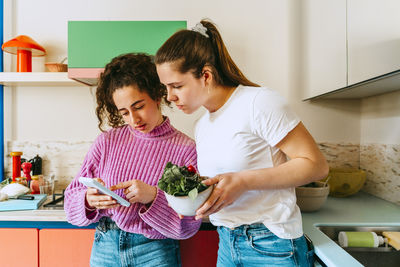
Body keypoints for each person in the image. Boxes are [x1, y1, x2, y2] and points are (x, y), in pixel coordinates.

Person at [155, 20, 329, 267]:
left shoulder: (259, 102)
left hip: (272, 244)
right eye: (166, 88)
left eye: (177, 86)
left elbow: (316, 166)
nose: (170, 97)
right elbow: (225, 184)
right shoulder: (202, 125)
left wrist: (243, 181)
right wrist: (193, 199)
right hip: (227, 242)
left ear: (206, 75)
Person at [64, 53, 200, 267]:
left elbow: (189, 224)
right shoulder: (107, 142)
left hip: (155, 251)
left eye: (138, 107)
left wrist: (153, 196)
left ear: (157, 95)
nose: (134, 119)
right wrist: (88, 200)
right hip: (105, 247)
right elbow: (70, 200)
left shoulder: (186, 150)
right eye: (124, 112)